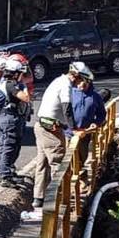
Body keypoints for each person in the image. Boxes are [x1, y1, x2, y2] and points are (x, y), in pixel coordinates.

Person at [21, 60, 94, 223]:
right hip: (49, 129)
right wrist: (75, 129)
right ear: (75, 76)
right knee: (58, 164)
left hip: (42, 126)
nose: (82, 84)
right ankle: (59, 203)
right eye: (82, 80)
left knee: (42, 165)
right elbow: (67, 109)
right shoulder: (65, 85)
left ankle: (38, 202)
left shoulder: (58, 81)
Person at [68, 70, 107, 189]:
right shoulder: (69, 94)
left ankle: (81, 178)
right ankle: (70, 184)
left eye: (84, 83)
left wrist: (96, 123)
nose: (80, 85)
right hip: (70, 132)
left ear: (89, 82)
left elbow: (101, 114)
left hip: (85, 133)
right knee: (69, 159)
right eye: (79, 82)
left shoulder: (95, 97)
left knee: (82, 157)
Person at [0, 58, 32, 185]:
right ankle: (4, 174)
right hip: (9, 118)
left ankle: (8, 171)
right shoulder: (11, 84)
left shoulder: (5, 83)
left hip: (7, 117)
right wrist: (24, 88)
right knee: (8, 146)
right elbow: (25, 97)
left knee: (10, 146)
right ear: (15, 73)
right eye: (20, 73)